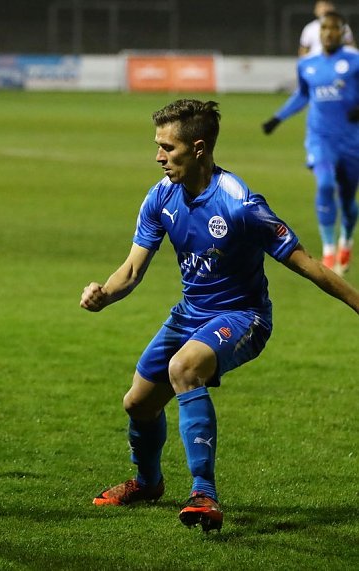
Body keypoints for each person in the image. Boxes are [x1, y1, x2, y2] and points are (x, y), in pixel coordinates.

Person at [81, 99, 359, 533]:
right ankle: (148, 482)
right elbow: (132, 269)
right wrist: (103, 294)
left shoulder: (241, 205)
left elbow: (308, 265)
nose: (158, 156)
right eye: (157, 146)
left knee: (184, 367)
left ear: (197, 148)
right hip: (190, 314)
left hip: (243, 316)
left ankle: (203, 493)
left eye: (166, 148)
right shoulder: (161, 196)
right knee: (137, 404)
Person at [263, 11, 359, 275]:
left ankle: (346, 240)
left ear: (343, 32)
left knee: (349, 200)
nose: (328, 33)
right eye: (324, 28)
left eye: (334, 28)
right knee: (326, 185)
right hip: (320, 138)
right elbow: (302, 96)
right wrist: (277, 118)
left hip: (351, 141)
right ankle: (329, 252)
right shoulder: (307, 64)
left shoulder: (355, 61)